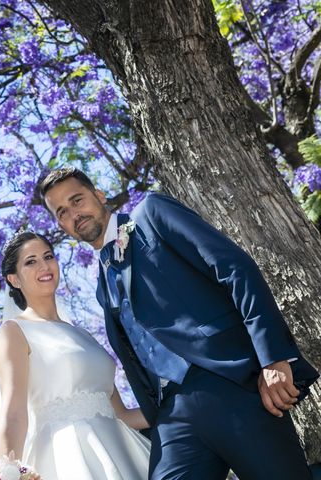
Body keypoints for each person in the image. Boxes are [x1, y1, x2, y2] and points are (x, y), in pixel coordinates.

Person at [38, 166, 319, 480]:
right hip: (171, 416)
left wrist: (273, 358)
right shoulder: (102, 287)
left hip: (229, 382)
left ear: (99, 196)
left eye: (77, 200)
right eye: (62, 212)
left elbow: (234, 269)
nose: (73, 214)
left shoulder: (151, 213)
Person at [0, 231, 151, 479]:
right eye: (31, 261)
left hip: (119, 450)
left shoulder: (84, 336)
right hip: (66, 455)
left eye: (48, 256)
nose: (44, 266)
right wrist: (5, 473)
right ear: (14, 279)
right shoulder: (15, 332)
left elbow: (121, 415)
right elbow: (14, 415)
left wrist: (177, 410)